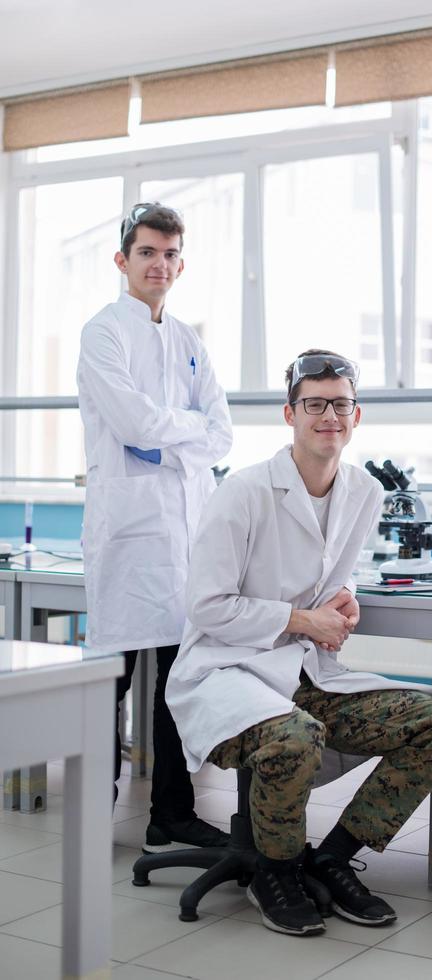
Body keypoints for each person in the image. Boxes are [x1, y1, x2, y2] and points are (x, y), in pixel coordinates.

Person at [166, 349, 432, 935]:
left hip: (304, 673)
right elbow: (205, 606)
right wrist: (304, 620)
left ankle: (329, 859)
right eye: (315, 404)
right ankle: (275, 871)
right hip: (228, 673)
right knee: (294, 737)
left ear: (357, 417)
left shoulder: (362, 491)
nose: (329, 415)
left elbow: (331, 567)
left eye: (341, 404)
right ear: (290, 414)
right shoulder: (245, 493)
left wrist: (344, 595)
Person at [77, 202, 233, 852]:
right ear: (123, 260)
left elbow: (220, 434)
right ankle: (92, 810)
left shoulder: (189, 340)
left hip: (185, 537)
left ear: (181, 262)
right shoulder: (103, 333)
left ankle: (171, 811)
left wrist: (173, 438)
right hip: (127, 534)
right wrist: (183, 434)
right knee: (106, 684)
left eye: (169, 254)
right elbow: (134, 425)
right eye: (147, 252)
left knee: (179, 681)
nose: (159, 265)